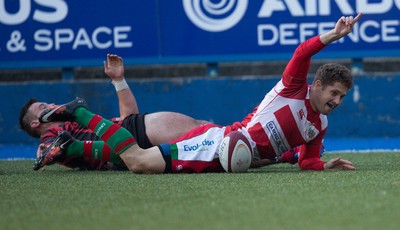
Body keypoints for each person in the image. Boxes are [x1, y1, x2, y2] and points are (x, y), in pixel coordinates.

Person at [38, 14, 361, 173]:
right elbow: (303, 52)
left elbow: (308, 161)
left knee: (141, 158)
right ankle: (78, 113)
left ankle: (73, 146)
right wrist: (334, 34)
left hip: (230, 160)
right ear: (316, 85)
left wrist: (324, 165)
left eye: (342, 98)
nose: (336, 101)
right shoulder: (294, 88)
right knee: (139, 162)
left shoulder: (318, 127)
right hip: (220, 143)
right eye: (333, 93)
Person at [19, 54, 209, 170]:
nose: (51, 104)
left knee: (204, 134)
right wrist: (43, 153)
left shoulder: (76, 124)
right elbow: (46, 148)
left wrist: (118, 81)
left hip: (130, 138)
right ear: (36, 123)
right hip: (131, 141)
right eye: (43, 107)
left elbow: (129, 116)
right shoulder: (53, 132)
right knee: (205, 131)